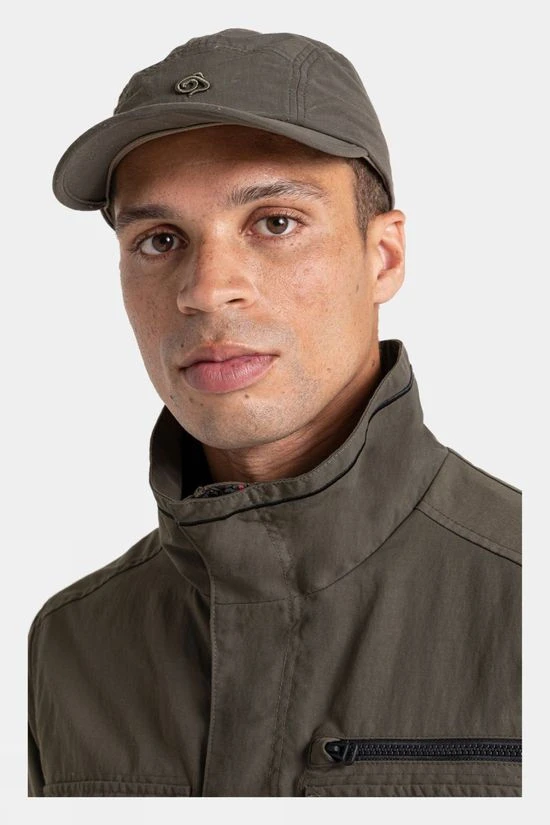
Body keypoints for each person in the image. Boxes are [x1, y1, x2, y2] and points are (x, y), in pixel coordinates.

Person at [28, 28, 521, 797]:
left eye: (275, 222)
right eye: (160, 239)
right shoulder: (68, 647)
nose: (206, 289)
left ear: (384, 256)